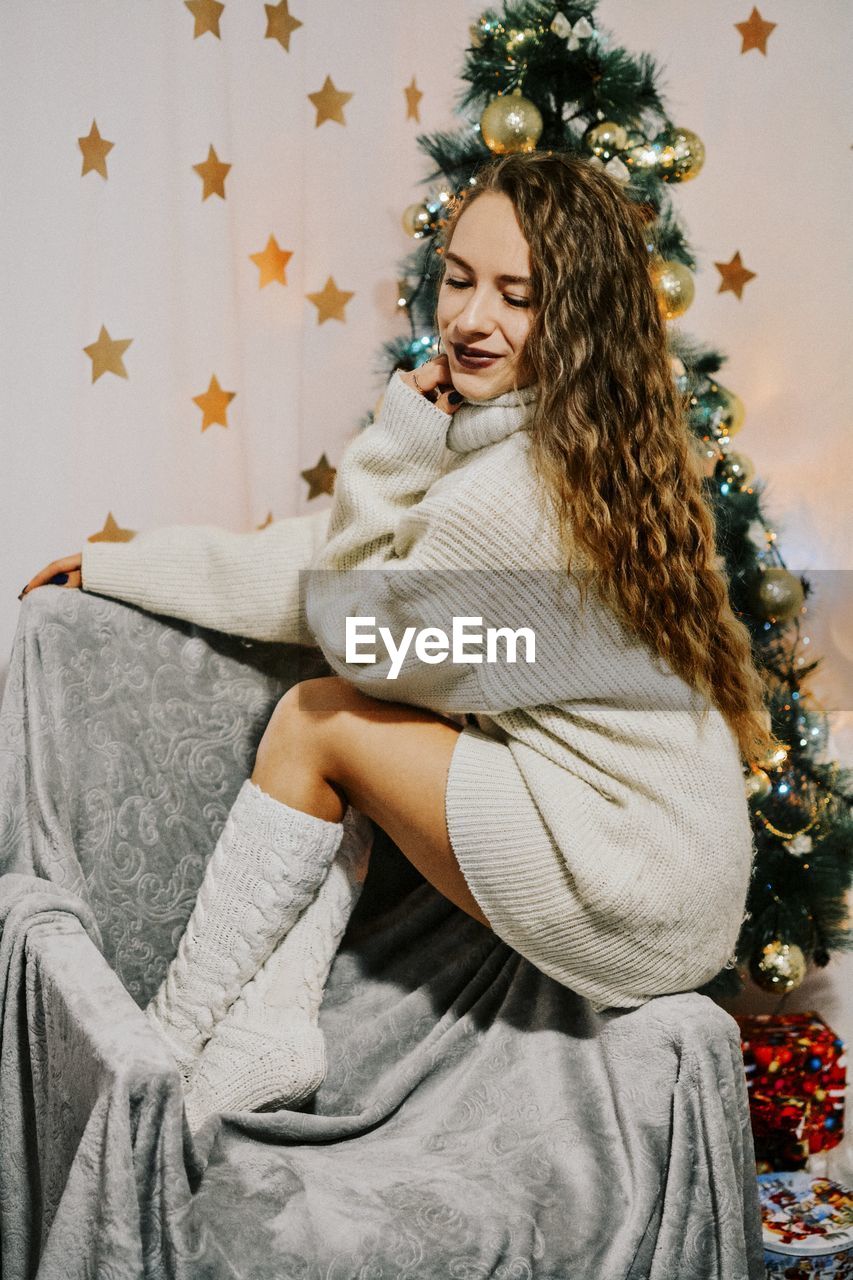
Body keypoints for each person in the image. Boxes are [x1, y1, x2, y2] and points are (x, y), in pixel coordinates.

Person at [19, 150, 784, 1133]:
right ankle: (270, 1023)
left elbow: (355, 629)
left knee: (319, 717)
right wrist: (120, 563)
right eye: (460, 279)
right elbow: (317, 567)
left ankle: (171, 1048)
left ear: (579, 318)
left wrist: (390, 444)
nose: (470, 319)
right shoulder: (563, 445)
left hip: (633, 875)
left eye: (519, 295)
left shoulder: (519, 492)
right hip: (676, 874)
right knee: (376, 726)